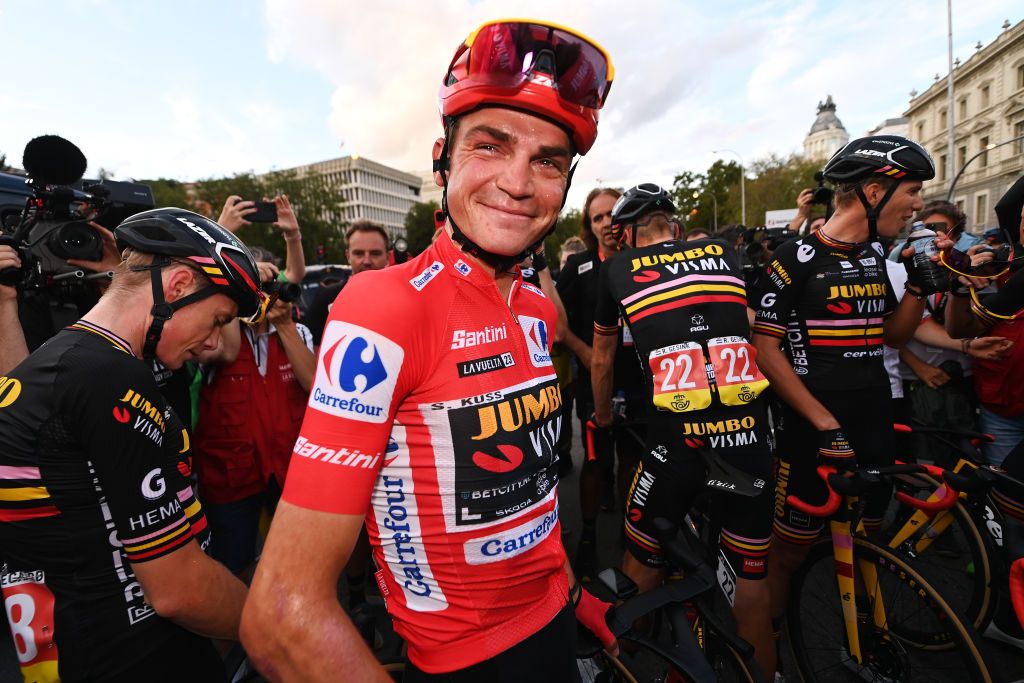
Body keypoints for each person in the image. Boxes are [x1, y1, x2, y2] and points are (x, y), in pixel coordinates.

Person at [241, 18, 618, 681]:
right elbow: (279, 617)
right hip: (462, 659)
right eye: (491, 146)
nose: (519, 182)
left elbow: (531, 490)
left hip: (552, 619)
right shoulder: (383, 306)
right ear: (443, 159)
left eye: (547, 160)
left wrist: (570, 592)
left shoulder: (535, 307)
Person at [0, 208, 265, 680]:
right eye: (217, 318)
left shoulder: (60, 360)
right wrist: (276, 630)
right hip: (133, 655)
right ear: (179, 285)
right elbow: (178, 589)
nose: (210, 343)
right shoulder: (108, 376)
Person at [752, 135, 935, 669]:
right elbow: (765, 351)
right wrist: (823, 421)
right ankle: (774, 649)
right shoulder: (796, 257)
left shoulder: (877, 253)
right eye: (913, 191)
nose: (918, 203)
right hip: (813, 426)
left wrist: (921, 290)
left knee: (867, 540)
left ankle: (865, 639)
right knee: (788, 550)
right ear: (874, 192)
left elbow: (894, 337)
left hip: (873, 412)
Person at [591, 183, 776, 678]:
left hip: (679, 443)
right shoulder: (725, 251)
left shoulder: (617, 267)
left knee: (642, 555)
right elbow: (751, 326)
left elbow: (604, 357)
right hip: (749, 435)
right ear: (672, 225)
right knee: (752, 578)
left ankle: (620, 666)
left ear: (627, 233)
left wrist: (603, 416)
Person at [192, 245, 316, 575]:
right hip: (231, 475)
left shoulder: (298, 332)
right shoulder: (214, 337)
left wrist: (286, 326)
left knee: (300, 563)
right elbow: (218, 352)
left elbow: (315, 388)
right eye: (253, 286)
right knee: (233, 563)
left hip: (290, 471)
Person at [557, 186, 646, 583]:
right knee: (594, 461)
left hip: (641, 382)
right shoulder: (577, 266)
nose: (607, 223)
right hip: (596, 383)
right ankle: (590, 535)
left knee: (631, 459)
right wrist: (589, 355)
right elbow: (557, 325)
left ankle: (631, 530)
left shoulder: (645, 262)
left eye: (613, 214)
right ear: (589, 226)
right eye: (598, 218)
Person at [303, 220, 391, 346]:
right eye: (359, 253)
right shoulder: (326, 298)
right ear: (348, 255)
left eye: (375, 253)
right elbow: (315, 354)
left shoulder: (404, 298)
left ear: (387, 256)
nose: (367, 261)